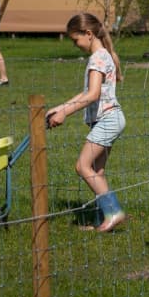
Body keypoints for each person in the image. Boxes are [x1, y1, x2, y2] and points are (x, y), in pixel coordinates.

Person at [46, 13, 127, 233]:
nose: (75, 45)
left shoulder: (97, 58)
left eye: (76, 40)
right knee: (97, 172)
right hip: (110, 119)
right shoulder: (103, 55)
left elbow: (92, 95)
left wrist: (65, 113)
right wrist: (60, 107)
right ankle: (105, 220)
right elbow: (86, 93)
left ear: (88, 34)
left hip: (107, 121)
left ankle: (114, 212)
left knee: (82, 166)